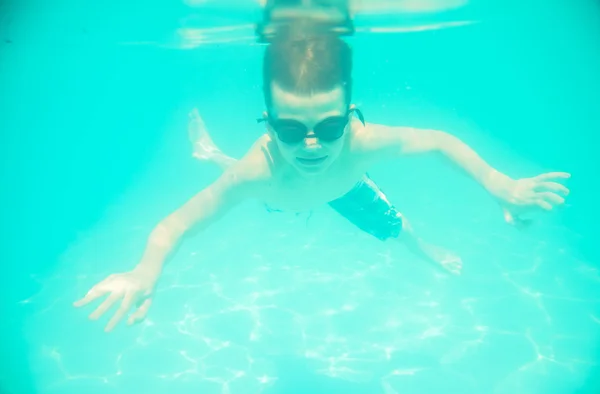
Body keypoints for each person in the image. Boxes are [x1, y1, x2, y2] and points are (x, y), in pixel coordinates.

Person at [74, 25, 570, 332]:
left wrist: (500, 186)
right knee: (246, 180)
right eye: (290, 129)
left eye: (329, 126)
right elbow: (174, 225)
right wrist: (144, 272)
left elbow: (440, 141)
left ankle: (430, 250)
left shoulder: (362, 144)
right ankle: (211, 154)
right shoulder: (257, 173)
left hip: (343, 185)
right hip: (279, 191)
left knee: (392, 223)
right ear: (267, 122)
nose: (312, 144)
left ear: (351, 115)